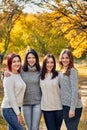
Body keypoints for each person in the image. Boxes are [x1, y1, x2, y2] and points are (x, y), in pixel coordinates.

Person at [58, 49, 83, 130]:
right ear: (60, 59)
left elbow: (74, 90)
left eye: (67, 58)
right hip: (65, 106)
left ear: (70, 59)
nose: (64, 60)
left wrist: (72, 109)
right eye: (63, 58)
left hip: (73, 107)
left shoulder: (73, 71)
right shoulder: (62, 71)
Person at [1, 54, 26, 130]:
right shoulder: (8, 77)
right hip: (8, 109)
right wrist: (18, 114)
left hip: (16, 107)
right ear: (10, 63)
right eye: (14, 62)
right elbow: (11, 98)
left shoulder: (18, 74)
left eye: (18, 61)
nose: (17, 63)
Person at [40, 54, 63, 130]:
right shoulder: (40, 76)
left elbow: (67, 87)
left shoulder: (59, 75)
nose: (50, 64)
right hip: (47, 109)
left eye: (52, 62)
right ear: (44, 63)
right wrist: (4, 74)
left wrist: (77, 91)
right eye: (47, 62)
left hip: (59, 108)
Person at [21, 49, 42, 130]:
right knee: (29, 128)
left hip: (38, 103)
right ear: (26, 59)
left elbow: (52, 74)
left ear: (36, 59)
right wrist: (4, 74)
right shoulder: (21, 70)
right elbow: (10, 75)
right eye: (29, 58)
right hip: (25, 103)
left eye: (33, 57)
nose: (31, 60)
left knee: (35, 127)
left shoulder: (40, 70)